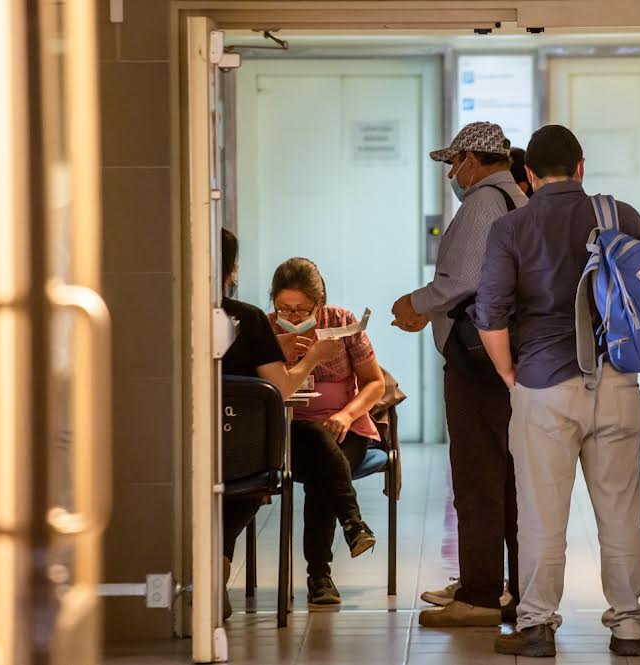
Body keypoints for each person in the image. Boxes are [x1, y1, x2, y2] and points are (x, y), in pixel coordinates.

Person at [475, 125, 640, 658]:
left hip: (545, 386)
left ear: (529, 174)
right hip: (618, 382)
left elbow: (489, 312)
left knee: (542, 514)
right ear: (581, 167)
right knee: (620, 511)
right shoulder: (619, 216)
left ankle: (537, 626)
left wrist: (510, 375)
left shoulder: (512, 228)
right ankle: (628, 626)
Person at [390, 121, 527, 627]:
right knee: (511, 483)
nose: (451, 174)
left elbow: (463, 279)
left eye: (453, 163)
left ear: (471, 160)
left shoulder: (483, 202)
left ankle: (479, 596)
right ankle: (515, 589)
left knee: (476, 478)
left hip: (477, 367)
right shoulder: (519, 200)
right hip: (510, 362)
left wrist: (415, 303)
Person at [218, 229, 340, 619]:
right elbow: (282, 388)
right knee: (250, 485)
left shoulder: (170, 313)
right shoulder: (249, 319)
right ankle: (219, 562)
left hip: (188, 445)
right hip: (246, 451)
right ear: (232, 270)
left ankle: (209, 568)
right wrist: (312, 359)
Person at [268, 258, 385, 606]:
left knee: (325, 470)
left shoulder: (342, 322)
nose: (292, 316)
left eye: (301, 309)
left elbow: (375, 383)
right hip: (292, 430)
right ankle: (353, 526)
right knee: (320, 449)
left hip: (346, 428)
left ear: (319, 303)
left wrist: (346, 415)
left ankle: (320, 576)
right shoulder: (266, 330)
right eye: (283, 308)